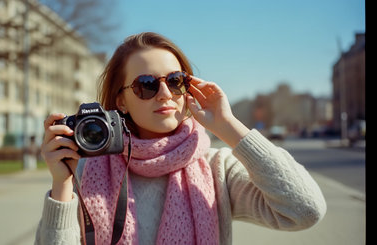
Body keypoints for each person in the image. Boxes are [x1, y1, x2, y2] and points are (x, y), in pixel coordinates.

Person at [35, 32, 326, 245]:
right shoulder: (87, 170)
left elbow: (306, 210)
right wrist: (62, 184)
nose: (164, 94)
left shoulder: (218, 169)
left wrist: (228, 126)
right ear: (121, 101)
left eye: (175, 82)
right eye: (146, 85)